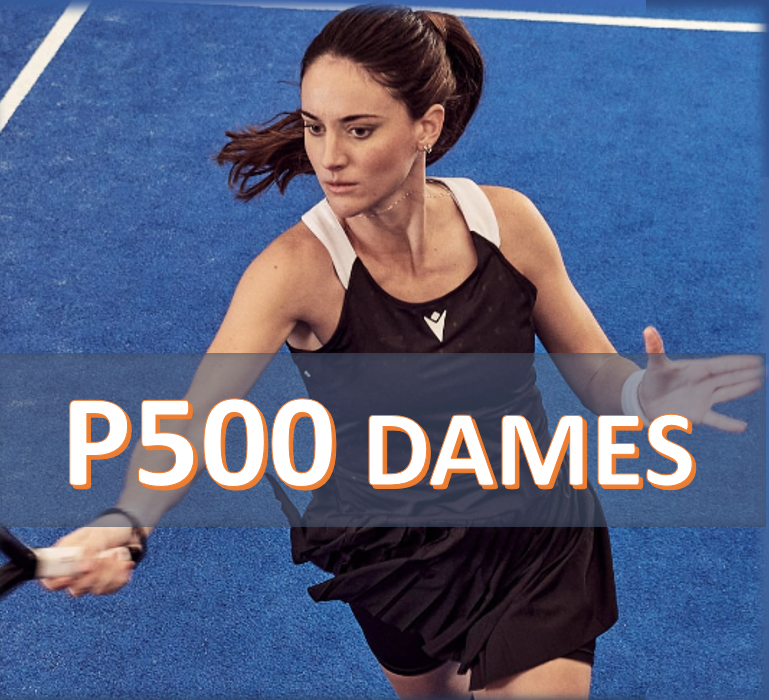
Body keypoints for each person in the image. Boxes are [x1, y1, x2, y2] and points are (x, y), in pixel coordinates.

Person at [42, 5, 763, 698]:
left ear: (428, 126)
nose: (329, 158)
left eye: (359, 130)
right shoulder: (294, 271)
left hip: (533, 536)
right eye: (314, 127)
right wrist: (128, 523)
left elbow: (597, 371)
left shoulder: (508, 225)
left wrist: (641, 394)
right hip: (392, 551)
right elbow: (195, 418)